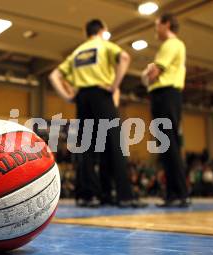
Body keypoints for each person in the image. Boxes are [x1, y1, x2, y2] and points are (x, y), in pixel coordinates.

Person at [49, 19, 144, 208]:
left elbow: (53, 76)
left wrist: (68, 97)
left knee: (87, 148)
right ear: (103, 30)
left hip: (82, 99)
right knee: (114, 145)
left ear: (86, 32)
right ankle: (124, 196)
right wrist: (114, 85)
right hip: (102, 95)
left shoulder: (77, 52)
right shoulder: (104, 45)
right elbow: (124, 57)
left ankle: (88, 195)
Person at [141, 13, 190, 207]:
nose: (155, 29)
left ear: (166, 24)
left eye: (157, 25)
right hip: (168, 96)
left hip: (165, 95)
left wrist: (147, 73)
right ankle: (174, 193)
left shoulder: (170, 45)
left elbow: (153, 74)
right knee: (168, 145)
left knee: (168, 144)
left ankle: (179, 193)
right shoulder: (174, 45)